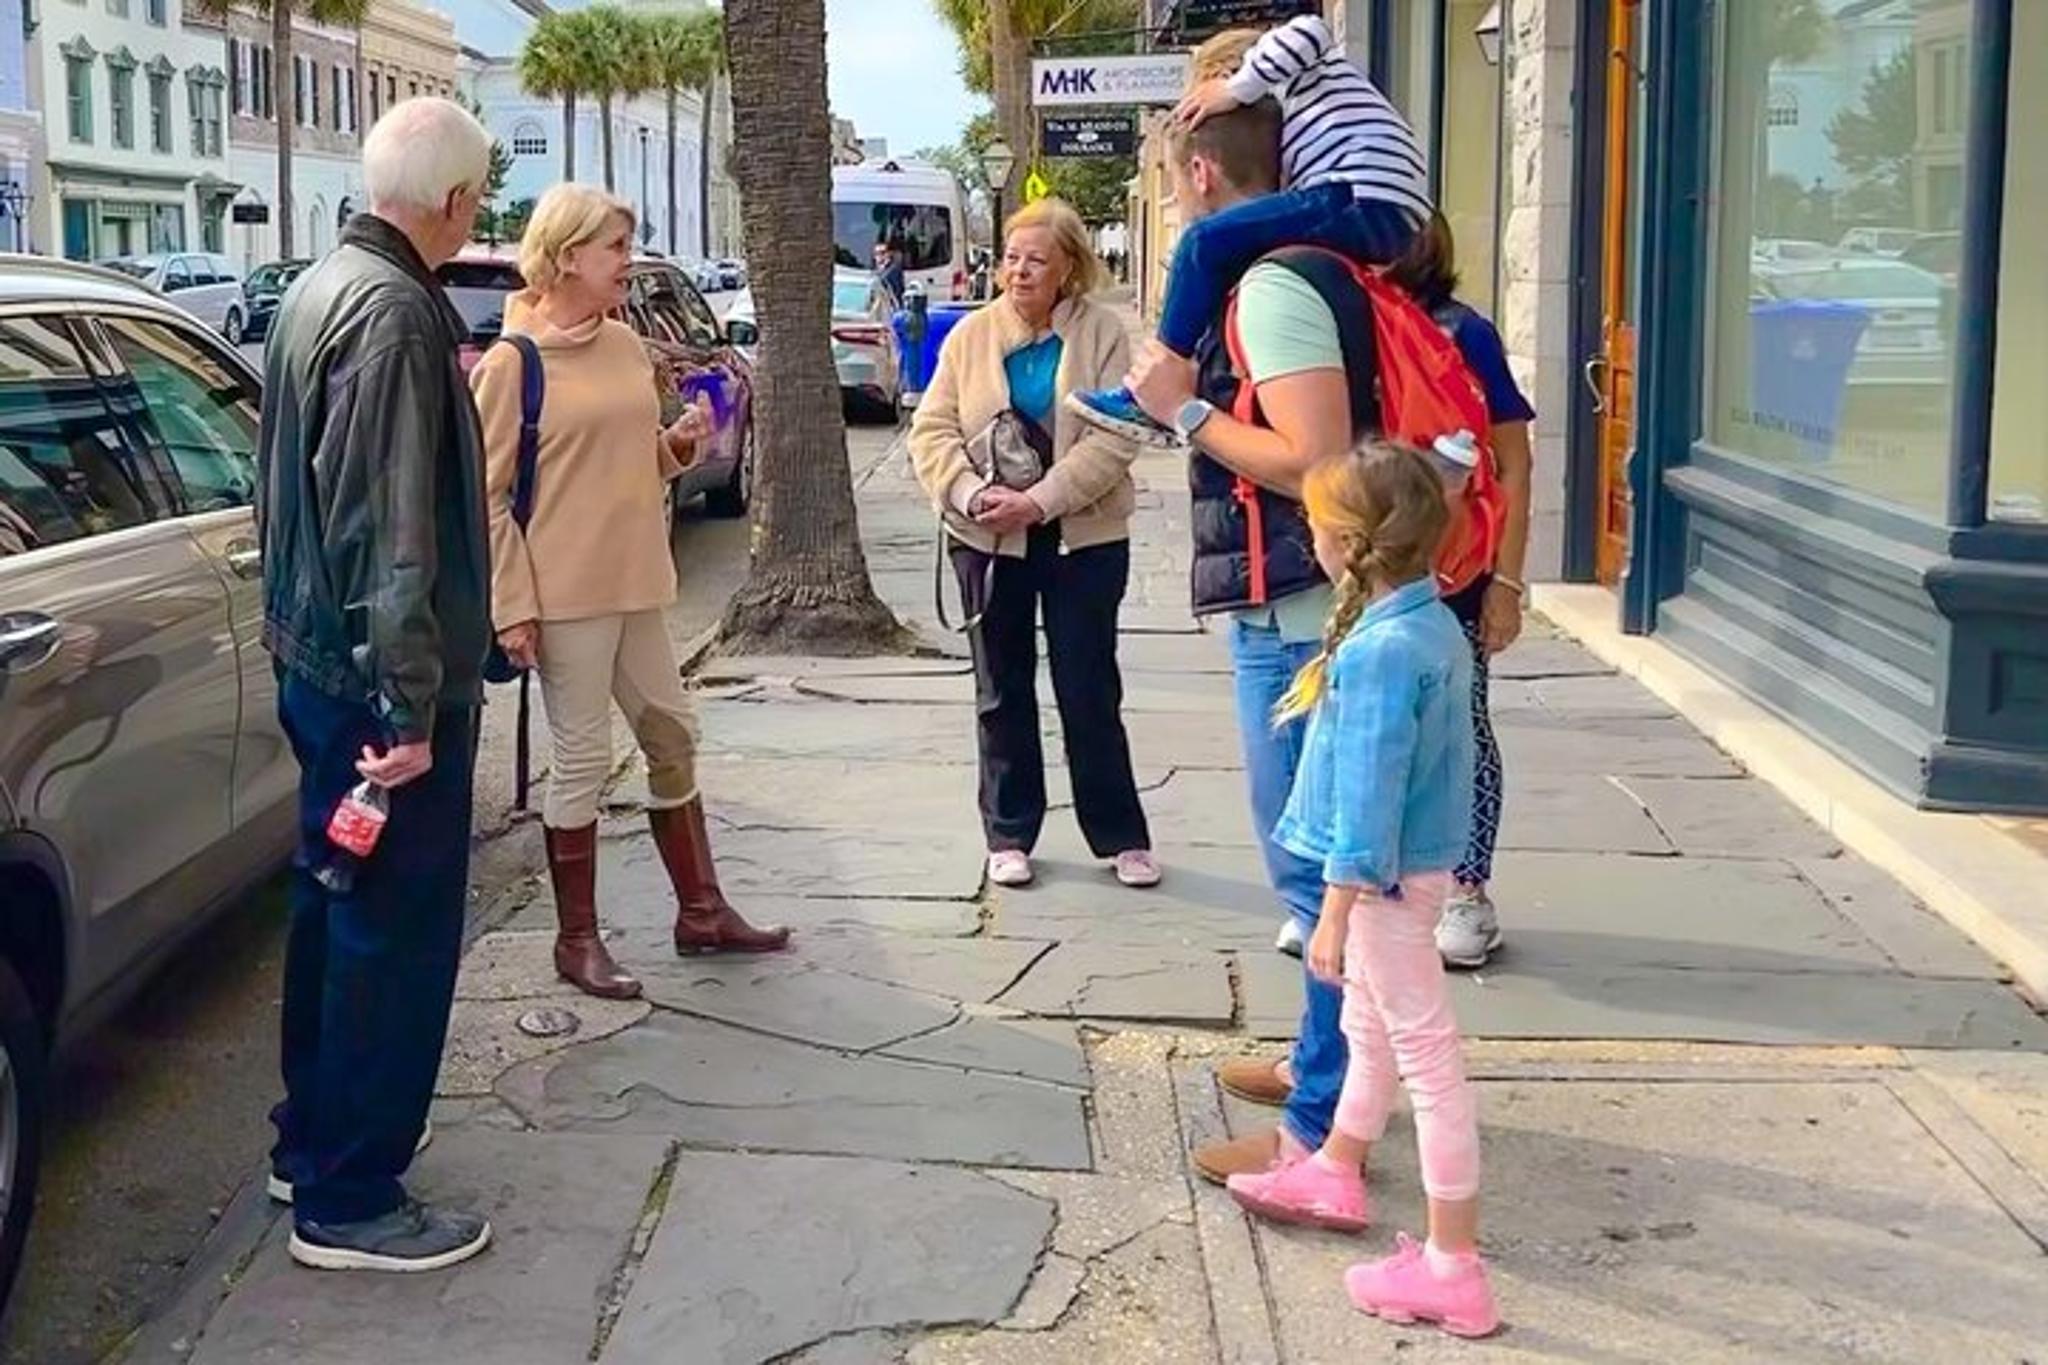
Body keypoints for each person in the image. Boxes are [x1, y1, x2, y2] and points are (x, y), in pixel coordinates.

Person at [256, 97, 497, 1273]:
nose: (475, 219)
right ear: (451, 200)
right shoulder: (396, 313)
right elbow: (387, 530)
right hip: (375, 686)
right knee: (389, 934)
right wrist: (409, 705)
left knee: (334, 910)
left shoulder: (318, 287)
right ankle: (350, 1194)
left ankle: (312, 1146)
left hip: (323, 665)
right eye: (475, 201)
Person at [1121, 99, 1365, 1183]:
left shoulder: (1270, 287)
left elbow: (1320, 463)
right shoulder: (1290, 273)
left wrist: (1181, 411)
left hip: (1307, 614)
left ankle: (1319, 1132)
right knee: (1320, 871)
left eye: (1176, 183)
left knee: (1316, 874)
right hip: (1296, 606)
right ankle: (1330, 1068)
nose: (1177, 203)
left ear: (1203, 178)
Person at [473, 184, 790, 1000]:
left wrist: (676, 446)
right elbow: (488, 496)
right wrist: (513, 607)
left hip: (638, 578)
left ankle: (703, 911)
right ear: (568, 255)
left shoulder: (622, 344)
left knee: (671, 732)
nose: (629, 262)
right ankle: (576, 940)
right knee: (580, 757)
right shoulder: (514, 363)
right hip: (564, 592)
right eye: (616, 247)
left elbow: (631, 454)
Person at [1225, 442, 1497, 1340]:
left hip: (1382, 883)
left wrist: (1336, 909)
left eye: (1315, 522)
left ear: (1348, 541)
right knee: (1368, 1028)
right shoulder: (1425, 623)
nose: (1308, 531)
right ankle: (1337, 1162)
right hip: (1403, 875)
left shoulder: (1385, 649)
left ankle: (1454, 1263)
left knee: (1424, 1054)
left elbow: (1371, 796)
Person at [907, 197, 1160, 891]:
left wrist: (1041, 500)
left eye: (1036, 259)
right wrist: (969, 494)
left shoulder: (1103, 334)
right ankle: (1009, 832)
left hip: (1084, 538)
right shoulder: (969, 338)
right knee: (1001, 688)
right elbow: (931, 430)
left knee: (1087, 686)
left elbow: (1118, 435)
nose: (1019, 271)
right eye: (1012, 258)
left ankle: (1120, 836)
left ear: (1068, 268)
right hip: (988, 540)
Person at [1071, 12, 1430, 444]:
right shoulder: (1310, 104)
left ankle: (1152, 383)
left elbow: (1312, 29)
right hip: (1378, 205)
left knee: (1202, 241)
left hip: (1359, 196)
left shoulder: (1299, 65)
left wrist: (1236, 88)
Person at [1386, 214, 1536, 968]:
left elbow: (1513, 460)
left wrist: (1507, 580)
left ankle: (1467, 888)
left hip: (1458, 565)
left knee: (1461, 723)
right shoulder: (1341, 320)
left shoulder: (1463, 332)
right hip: (1368, 563)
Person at [873, 239, 908, 308]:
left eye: (882, 253)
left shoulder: (893, 269)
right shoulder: (876, 270)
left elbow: (897, 291)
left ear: (888, 254)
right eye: (876, 253)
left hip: (891, 306)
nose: (879, 256)